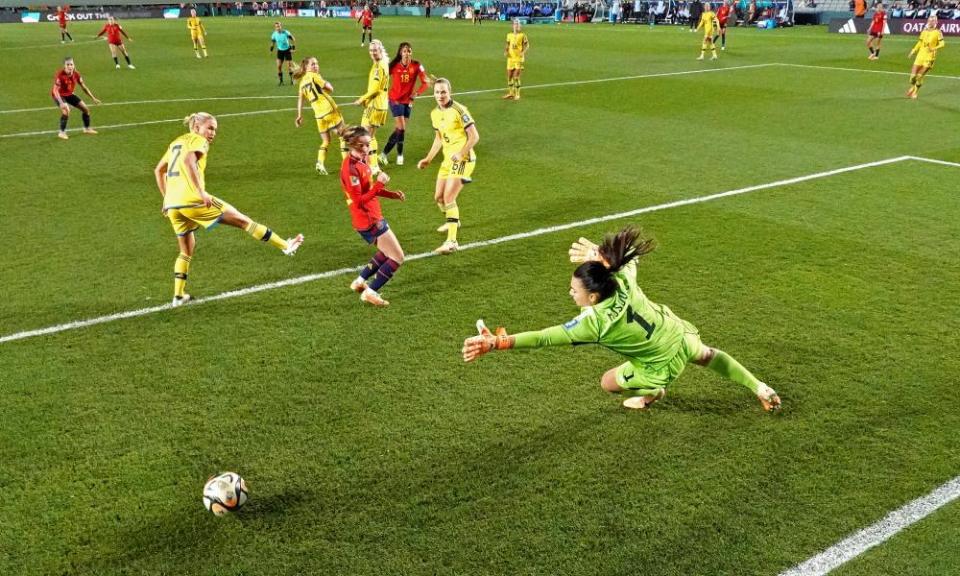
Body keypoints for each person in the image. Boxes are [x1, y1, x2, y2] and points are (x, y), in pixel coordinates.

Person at [461, 226, 782, 412]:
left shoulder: (594, 324)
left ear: (594, 297)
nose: (570, 293)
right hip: (675, 333)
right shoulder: (623, 281)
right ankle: (759, 387)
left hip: (661, 364)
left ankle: (654, 391)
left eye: (575, 290)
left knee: (608, 383)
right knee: (707, 355)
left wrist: (497, 342)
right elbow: (630, 260)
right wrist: (602, 256)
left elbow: (543, 338)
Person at [153, 112, 304, 307]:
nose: (213, 133)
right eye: (210, 128)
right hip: (193, 201)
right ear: (197, 127)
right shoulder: (198, 141)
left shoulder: (176, 142)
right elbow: (187, 161)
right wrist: (201, 192)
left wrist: (166, 199)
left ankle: (179, 295)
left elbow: (159, 170)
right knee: (243, 221)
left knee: (186, 250)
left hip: (174, 205)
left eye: (215, 129)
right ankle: (285, 246)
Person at [340, 126, 406, 307]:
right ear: (353, 144)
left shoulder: (362, 160)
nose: (367, 148)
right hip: (369, 219)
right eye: (363, 145)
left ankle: (360, 281)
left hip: (370, 216)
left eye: (368, 144)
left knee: (386, 252)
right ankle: (371, 292)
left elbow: (368, 190)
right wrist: (379, 184)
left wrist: (390, 194)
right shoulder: (350, 168)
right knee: (397, 257)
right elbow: (358, 200)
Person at [417, 78, 479, 255]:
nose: (440, 95)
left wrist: (461, 153)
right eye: (437, 92)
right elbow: (439, 138)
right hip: (447, 161)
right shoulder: (434, 113)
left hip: (463, 160)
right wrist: (428, 159)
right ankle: (454, 220)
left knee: (449, 197)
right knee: (438, 198)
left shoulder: (459, 110)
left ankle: (452, 241)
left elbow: (474, 136)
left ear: (449, 92)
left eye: (443, 92)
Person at [381, 42, 432, 166]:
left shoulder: (417, 65)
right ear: (400, 53)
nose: (407, 53)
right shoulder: (393, 66)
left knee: (399, 129)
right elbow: (382, 78)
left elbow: (426, 83)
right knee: (402, 128)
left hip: (408, 101)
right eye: (404, 51)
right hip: (395, 100)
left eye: (409, 51)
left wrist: (417, 93)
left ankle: (383, 154)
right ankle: (400, 155)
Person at [294, 56, 346, 175]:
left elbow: (300, 99)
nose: (316, 66)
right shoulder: (314, 76)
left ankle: (320, 163)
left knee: (326, 141)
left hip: (319, 116)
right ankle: (347, 164)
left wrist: (299, 115)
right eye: (313, 64)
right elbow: (330, 88)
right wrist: (327, 84)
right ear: (306, 67)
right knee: (343, 136)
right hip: (330, 111)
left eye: (317, 63)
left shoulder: (302, 83)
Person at [353, 39, 389, 175]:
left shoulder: (378, 67)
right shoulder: (384, 64)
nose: (373, 52)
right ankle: (372, 165)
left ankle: (371, 166)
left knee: (364, 136)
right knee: (370, 137)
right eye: (371, 50)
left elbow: (374, 89)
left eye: (375, 50)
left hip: (374, 106)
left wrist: (362, 99)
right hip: (381, 105)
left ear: (380, 50)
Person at [51, 57, 100, 141]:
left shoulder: (76, 74)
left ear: (74, 65)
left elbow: (84, 87)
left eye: (71, 64)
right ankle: (61, 133)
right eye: (68, 64)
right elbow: (55, 90)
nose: (70, 66)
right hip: (59, 95)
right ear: (64, 66)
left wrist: (93, 98)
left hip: (69, 94)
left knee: (86, 109)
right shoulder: (60, 75)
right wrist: (61, 103)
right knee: (66, 111)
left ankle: (87, 128)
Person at [907, 15, 944, 99]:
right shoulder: (924, 31)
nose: (931, 22)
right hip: (920, 56)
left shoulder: (938, 32)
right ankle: (913, 86)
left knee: (919, 76)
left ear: (936, 22)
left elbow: (942, 44)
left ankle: (915, 92)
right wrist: (913, 51)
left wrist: (933, 48)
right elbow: (920, 42)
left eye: (933, 21)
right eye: (929, 20)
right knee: (912, 78)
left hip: (930, 58)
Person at [503, 19, 530, 100]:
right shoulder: (509, 35)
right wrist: (506, 51)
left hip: (518, 58)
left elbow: (527, 45)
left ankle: (517, 94)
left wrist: (523, 52)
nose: (517, 25)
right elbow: (508, 44)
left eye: (518, 24)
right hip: (510, 58)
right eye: (515, 24)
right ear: (513, 26)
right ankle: (511, 93)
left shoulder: (522, 35)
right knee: (509, 77)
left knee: (516, 77)